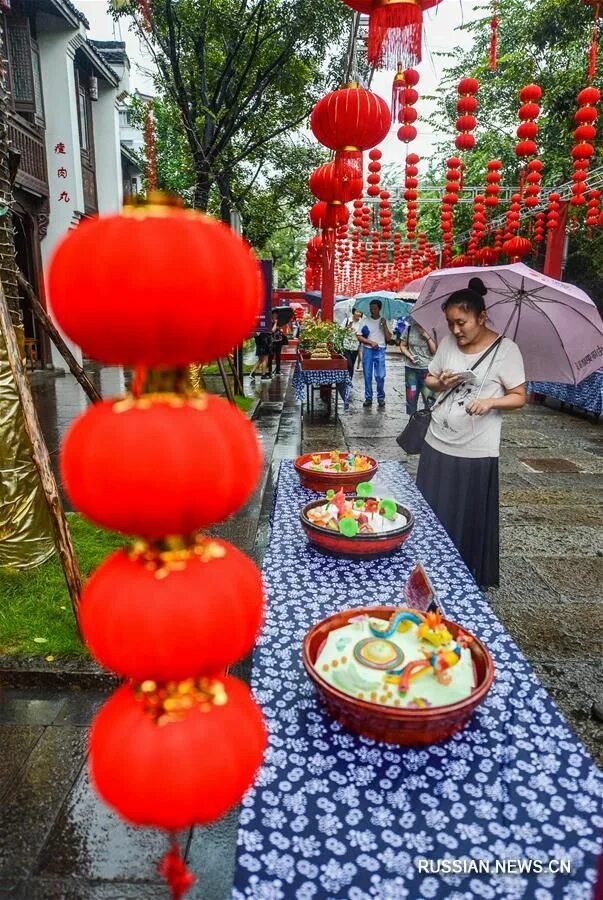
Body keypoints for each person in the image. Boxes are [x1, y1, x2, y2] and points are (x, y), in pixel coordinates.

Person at [416, 277, 526, 589]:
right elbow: (430, 379)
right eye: (450, 323)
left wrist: (491, 402)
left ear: (482, 317)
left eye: (461, 323)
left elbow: (519, 396)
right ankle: (428, 573)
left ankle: (462, 583)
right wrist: (443, 383)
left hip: (476, 450)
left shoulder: (507, 350)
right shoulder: (449, 344)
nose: (455, 331)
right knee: (433, 512)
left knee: (466, 517)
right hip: (437, 441)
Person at [356, 299, 392, 409]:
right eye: (371, 308)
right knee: (367, 375)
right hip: (368, 350)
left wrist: (385, 325)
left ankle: (381, 397)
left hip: (380, 349)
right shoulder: (365, 320)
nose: (372, 310)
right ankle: (368, 398)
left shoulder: (384, 320)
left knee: (380, 375)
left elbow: (389, 338)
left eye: (375, 308)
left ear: (379, 309)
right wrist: (370, 342)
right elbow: (359, 335)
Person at [399, 317, 437, 415]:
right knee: (411, 398)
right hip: (411, 370)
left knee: (428, 399)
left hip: (427, 370)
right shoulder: (409, 328)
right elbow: (402, 345)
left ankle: (427, 423)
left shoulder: (432, 330)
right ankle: (412, 422)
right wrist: (410, 356)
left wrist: (426, 335)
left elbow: (434, 351)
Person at [342, 307, 363, 377]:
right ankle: (346, 381)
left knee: (352, 365)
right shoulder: (347, 320)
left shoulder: (362, 322)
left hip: (355, 347)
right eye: (357, 312)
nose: (358, 314)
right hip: (346, 346)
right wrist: (347, 327)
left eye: (360, 312)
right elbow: (340, 332)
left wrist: (359, 334)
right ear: (353, 312)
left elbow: (363, 334)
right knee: (349, 364)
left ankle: (349, 382)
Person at [268, 311, 284, 376]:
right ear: (272, 315)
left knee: (278, 356)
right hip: (272, 341)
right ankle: (270, 371)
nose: (275, 316)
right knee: (271, 356)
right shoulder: (270, 322)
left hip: (279, 341)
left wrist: (281, 330)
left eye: (276, 315)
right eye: (274, 315)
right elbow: (272, 330)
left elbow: (279, 329)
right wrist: (275, 323)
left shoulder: (278, 322)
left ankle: (278, 370)